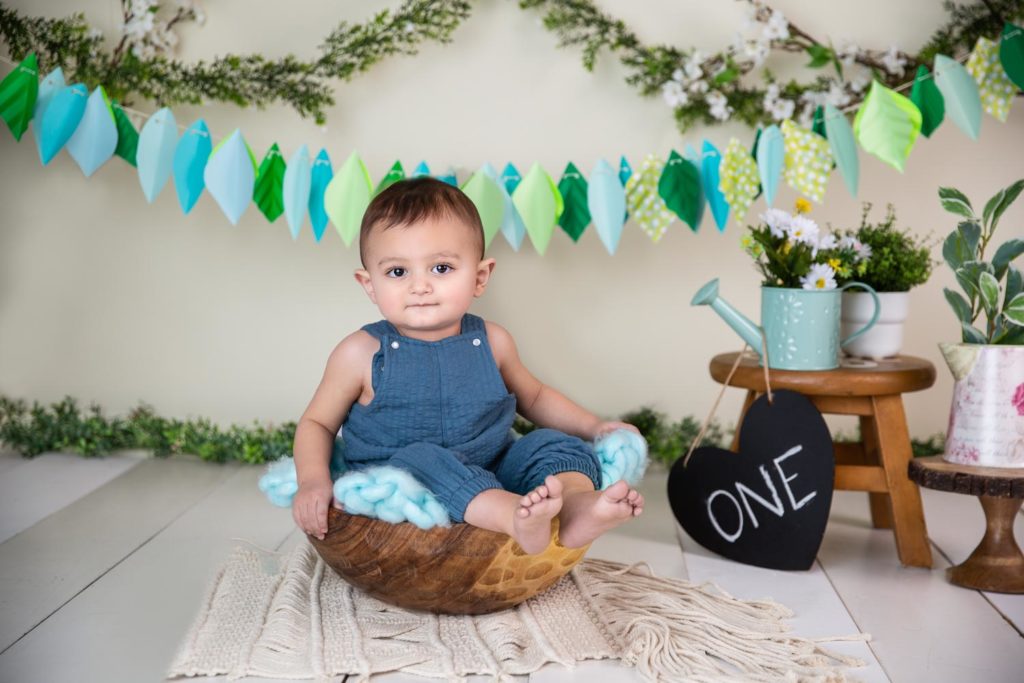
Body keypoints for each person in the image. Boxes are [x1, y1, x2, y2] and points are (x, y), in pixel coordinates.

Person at [291, 177, 644, 554]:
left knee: (554, 445)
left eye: (440, 268)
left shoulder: (492, 342)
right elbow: (317, 422)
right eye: (398, 272)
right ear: (370, 284)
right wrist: (312, 480)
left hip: (492, 466)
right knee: (424, 458)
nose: (420, 286)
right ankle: (513, 516)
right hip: (407, 474)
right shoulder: (361, 352)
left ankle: (576, 509)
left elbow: (535, 397)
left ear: (479, 277)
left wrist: (595, 427)